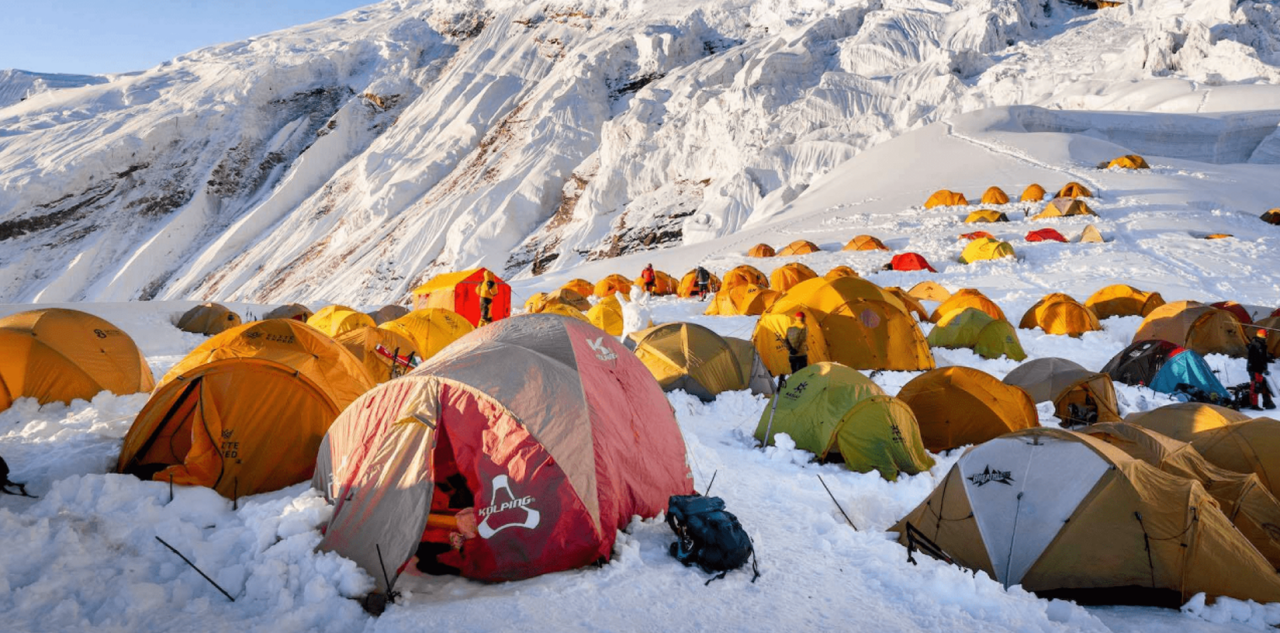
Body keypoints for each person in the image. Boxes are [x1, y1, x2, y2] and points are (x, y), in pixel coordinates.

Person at [1247, 329, 1275, 410]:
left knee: (1264, 385)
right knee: (1256, 386)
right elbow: (1256, 360)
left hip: (1259, 369)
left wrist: (1268, 358)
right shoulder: (1256, 345)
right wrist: (1262, 369)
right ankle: (1254, 405)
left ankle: (1267, 402)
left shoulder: (1260, 344)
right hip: (1255, 369)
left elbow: (1262, 357)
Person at [783, 312, 808, 385]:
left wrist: (790, 349)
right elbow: (802, 339)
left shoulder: (790, 327)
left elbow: (785, 340)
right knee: (802, 374)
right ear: (803, 318)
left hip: (791, 355)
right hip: (801, 354)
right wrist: (796, 349)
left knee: (794, 373)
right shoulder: (804, 326)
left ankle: (793, 389)